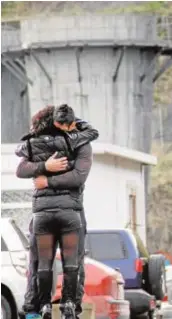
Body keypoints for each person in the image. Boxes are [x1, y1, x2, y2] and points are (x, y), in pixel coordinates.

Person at [16, 104, 98, 319]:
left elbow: (22, 167)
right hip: (69, 210)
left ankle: (42, 306)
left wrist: (46, 179)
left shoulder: (36, 145)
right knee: (72, 263)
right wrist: (46, 166)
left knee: (41, 263)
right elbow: (78, 176)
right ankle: (68, 306)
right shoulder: (79, 143)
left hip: (46, 211)